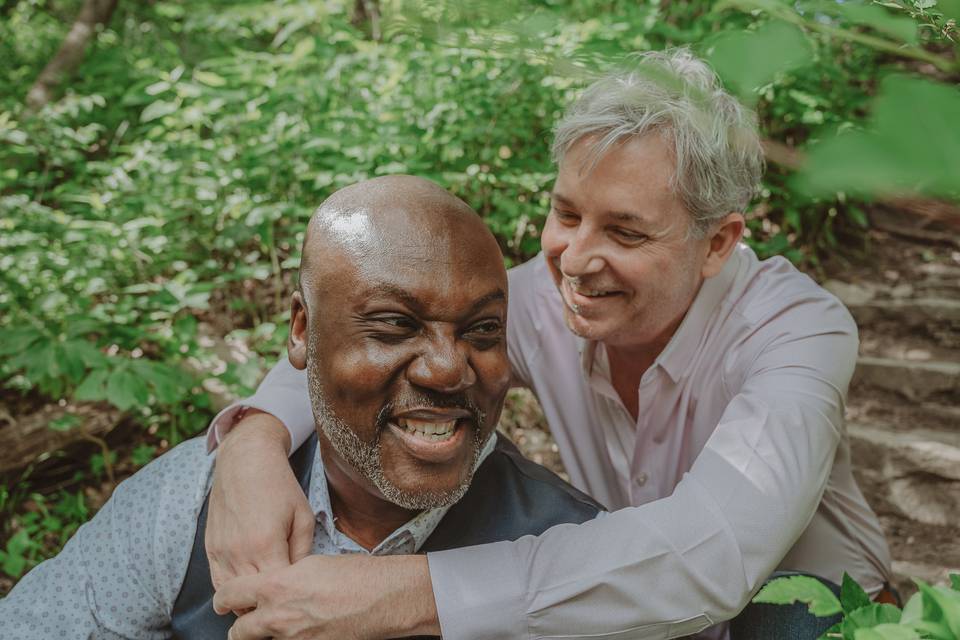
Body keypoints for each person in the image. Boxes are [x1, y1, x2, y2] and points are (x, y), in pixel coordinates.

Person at [205, 49, 895, 639]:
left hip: (810, 612)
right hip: (625, 608)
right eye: (566, 213)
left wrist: (405, 593)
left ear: (717, 243)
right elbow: (372, 346)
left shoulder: (797, 329)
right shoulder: (539, 298)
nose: (575, 258)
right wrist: (254, 442)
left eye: (625, 233)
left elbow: (716, 553)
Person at [0, 176, 604, 640]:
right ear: (302, 330)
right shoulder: (188, 504)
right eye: (395, 324)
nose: (448, 369)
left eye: (481, 330)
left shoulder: (585, 558)